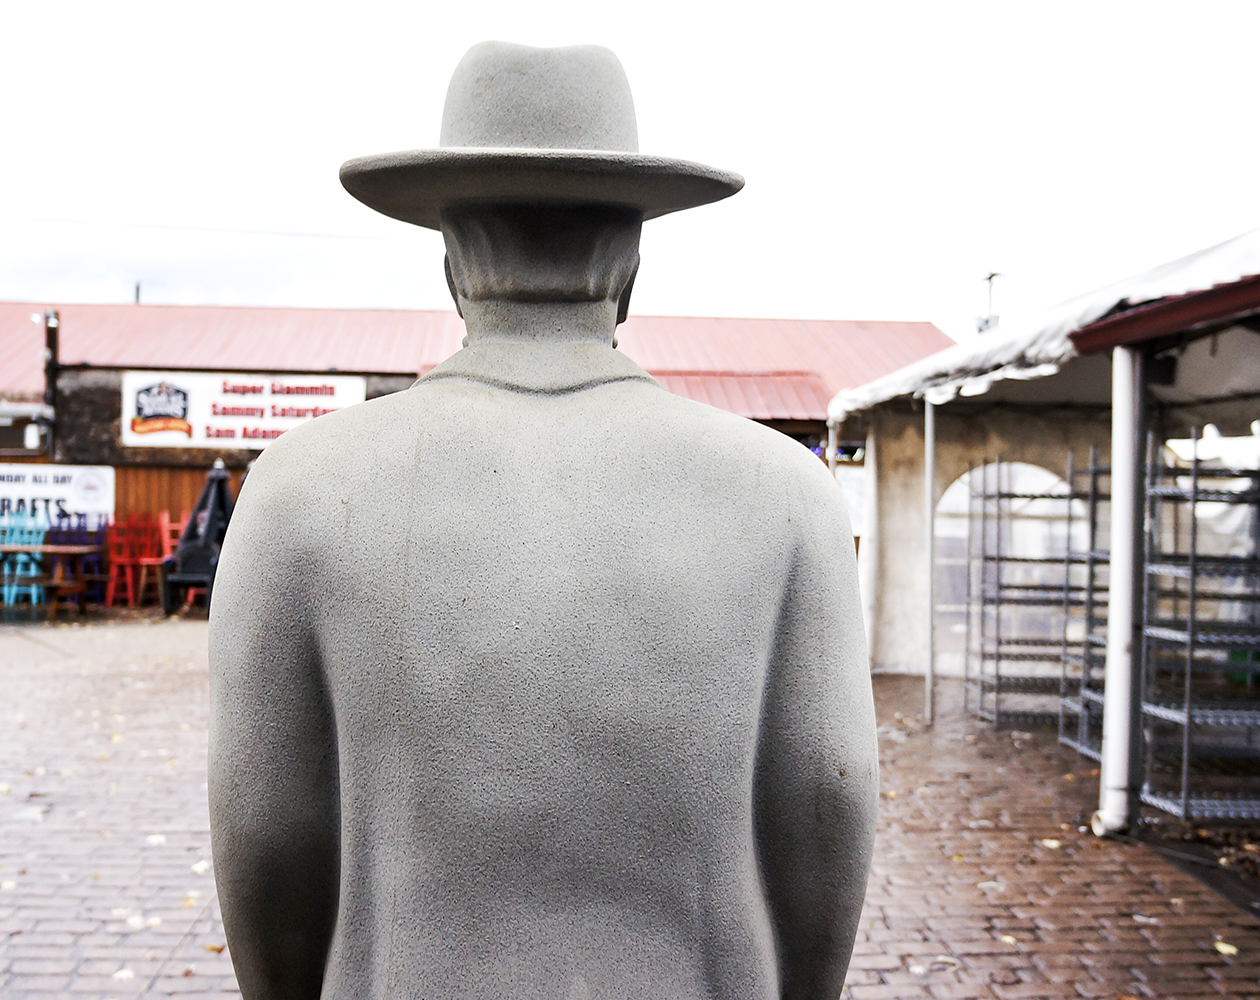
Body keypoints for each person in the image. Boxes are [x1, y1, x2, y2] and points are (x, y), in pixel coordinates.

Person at [210, 41, 877, 1000]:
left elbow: (266, 838)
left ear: (449, 263)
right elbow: (826, 808)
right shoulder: (787, 494)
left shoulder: (298, 491)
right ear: (635, 265)